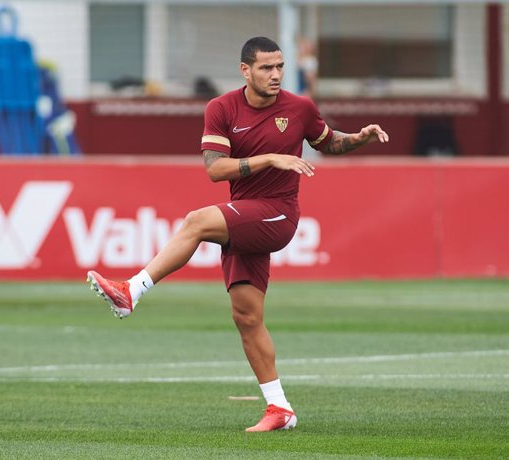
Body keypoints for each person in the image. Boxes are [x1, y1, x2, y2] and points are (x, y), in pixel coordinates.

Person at [87, 36, 389, 432]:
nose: (276, 74)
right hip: (243, 215)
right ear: (245, 70)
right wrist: (267, 158)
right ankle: (280, 409)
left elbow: (327, 141)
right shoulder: (221, 108)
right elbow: (215, 169)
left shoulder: (299, 108)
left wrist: (359, 139)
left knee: (195, 222)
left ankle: (132, 291)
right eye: (267, 67)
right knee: (247, 317)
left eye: (280, 66)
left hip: (277, 215)